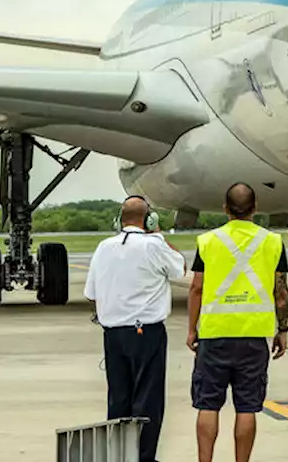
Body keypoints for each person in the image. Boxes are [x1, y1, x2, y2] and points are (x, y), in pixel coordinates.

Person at [187, 183, 288, 462]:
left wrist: (191, 329)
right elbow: (280, 292)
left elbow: (197, 287)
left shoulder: (207, 241)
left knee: (208, 404)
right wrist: (282, 330)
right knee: (247, 408)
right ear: (255, 209)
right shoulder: (272, 241)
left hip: (214, 334)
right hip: (254, 335)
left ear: (225, 209)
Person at [84, 195, 187, 462]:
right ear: (149, 219)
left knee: (119, 399)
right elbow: (180, 268)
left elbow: (91, 292)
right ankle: (143, 457)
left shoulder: (104, 247)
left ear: (119, 220)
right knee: (147, 399)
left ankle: (118, 456)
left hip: (113, 333)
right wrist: (160, 236)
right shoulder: (153, 245)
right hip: (145, 331)